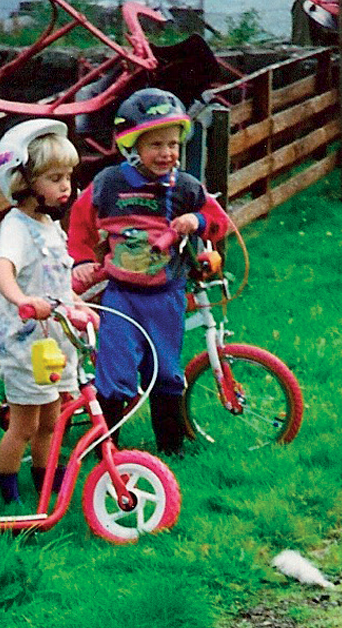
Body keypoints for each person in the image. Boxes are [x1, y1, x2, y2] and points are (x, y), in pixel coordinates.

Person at [67, 88, 231, 457]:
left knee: (166, 371)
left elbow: (220, 224)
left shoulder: (186, 186)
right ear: (132, 145)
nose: (167, 153)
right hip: (121, 297)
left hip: (166, 296)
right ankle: (105, 452)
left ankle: (170, 448)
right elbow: (79, 222)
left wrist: (198, 219)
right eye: (155, 144)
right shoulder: (109, 184)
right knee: (115, 373)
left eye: (173, 144)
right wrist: (80, 261)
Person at [0, 117, 87, 506]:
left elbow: (58, 283)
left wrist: (78, 306)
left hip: (56, 342)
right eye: (55, 177)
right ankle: (4, 490)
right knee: (24, 424)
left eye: (68, 176)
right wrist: (21, 300)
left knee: (52, 420)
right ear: (23, 183)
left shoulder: (48, 224)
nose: (66, 185)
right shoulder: (17, 227)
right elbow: (2, 268)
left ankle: (46, 481)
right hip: (27, 345)